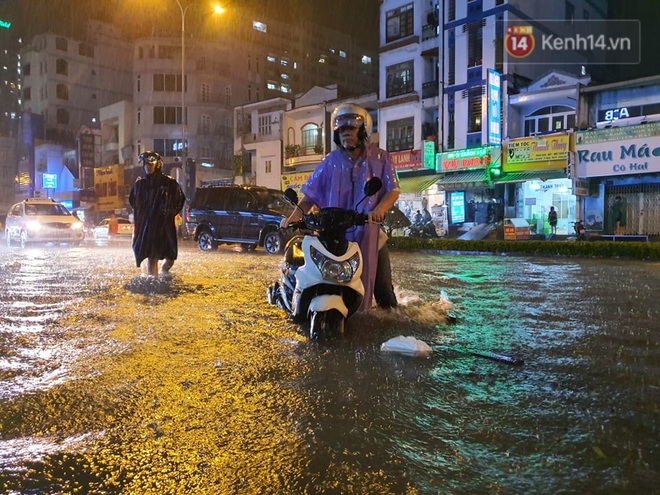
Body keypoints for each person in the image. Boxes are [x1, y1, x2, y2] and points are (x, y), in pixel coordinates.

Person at [282, 103, 400, 310]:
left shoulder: (381, 158)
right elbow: (309, 196)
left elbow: (393, 190)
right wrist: (293, 217)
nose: (346, 134)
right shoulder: (330, 161)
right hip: (334, 237)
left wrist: (380, 209)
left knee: (384, 297)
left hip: (369, 234)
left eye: (351, 129)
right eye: (342, 130)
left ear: (363, 131)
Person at [129, 151, 186, 276]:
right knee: (152, 255)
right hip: (149, 226)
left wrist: (169, 212)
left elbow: (180, 199)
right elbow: (134, 202)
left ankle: (164, 272)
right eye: (146, 164)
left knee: (170, 257)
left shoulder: (169, 183)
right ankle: (153, 282)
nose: (148, 167)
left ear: (157, 165)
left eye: (151, 164)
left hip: (165, 226)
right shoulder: (140, 185)